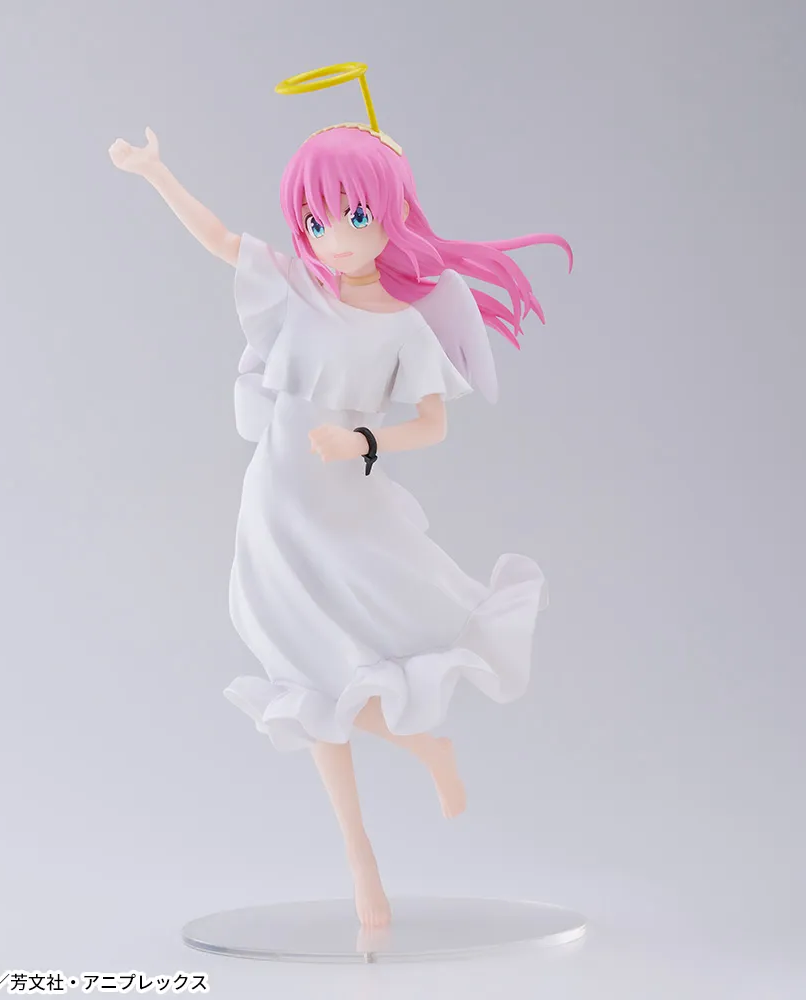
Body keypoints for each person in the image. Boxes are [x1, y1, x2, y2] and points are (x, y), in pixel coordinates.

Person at [109, 121, 572, 929]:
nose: (334, 238)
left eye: (354, 215)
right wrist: (156, 173)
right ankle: (365, 868)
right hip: (275, 503)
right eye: (315, 220)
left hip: (342, 504)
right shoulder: (296, 286)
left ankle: (422, 753)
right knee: (303, 677)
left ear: (394, 213)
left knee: (346, 662)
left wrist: (362, 440)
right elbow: (218, 239)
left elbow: (432, 423)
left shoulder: (405, 322)